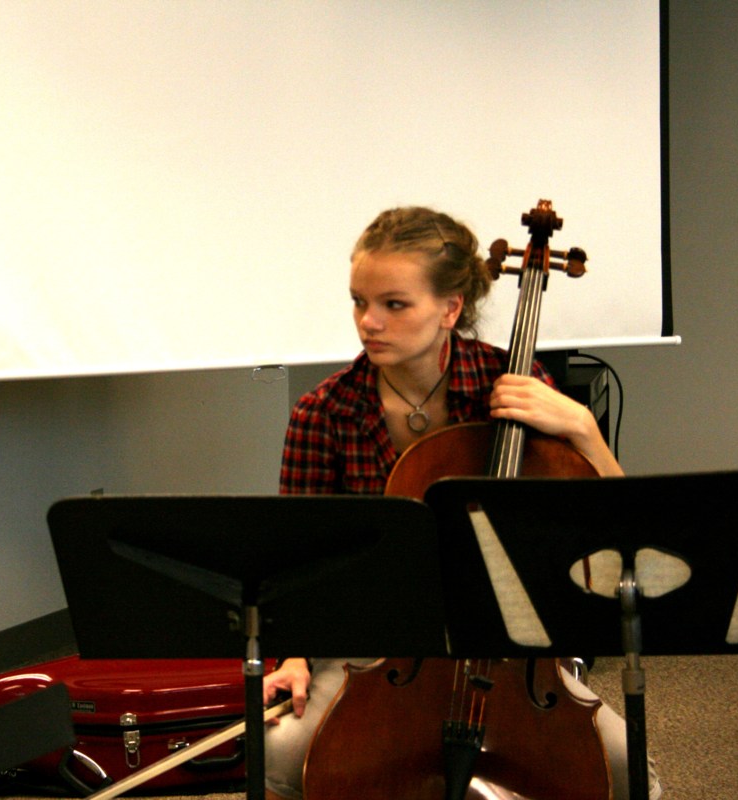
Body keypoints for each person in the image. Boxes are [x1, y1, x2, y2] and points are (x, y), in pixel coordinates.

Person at [261, 206, 658, 800]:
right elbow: (298, 561)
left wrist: (583, 428)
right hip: (381, 646)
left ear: (450, 309)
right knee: (282, 756)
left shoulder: (514, 385)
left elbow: (622, 522)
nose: (369, 322)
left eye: (395, 304)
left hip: (513, 652)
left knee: (628, 773)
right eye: (359, 301)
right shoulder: (324, 413)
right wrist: (293, 656)